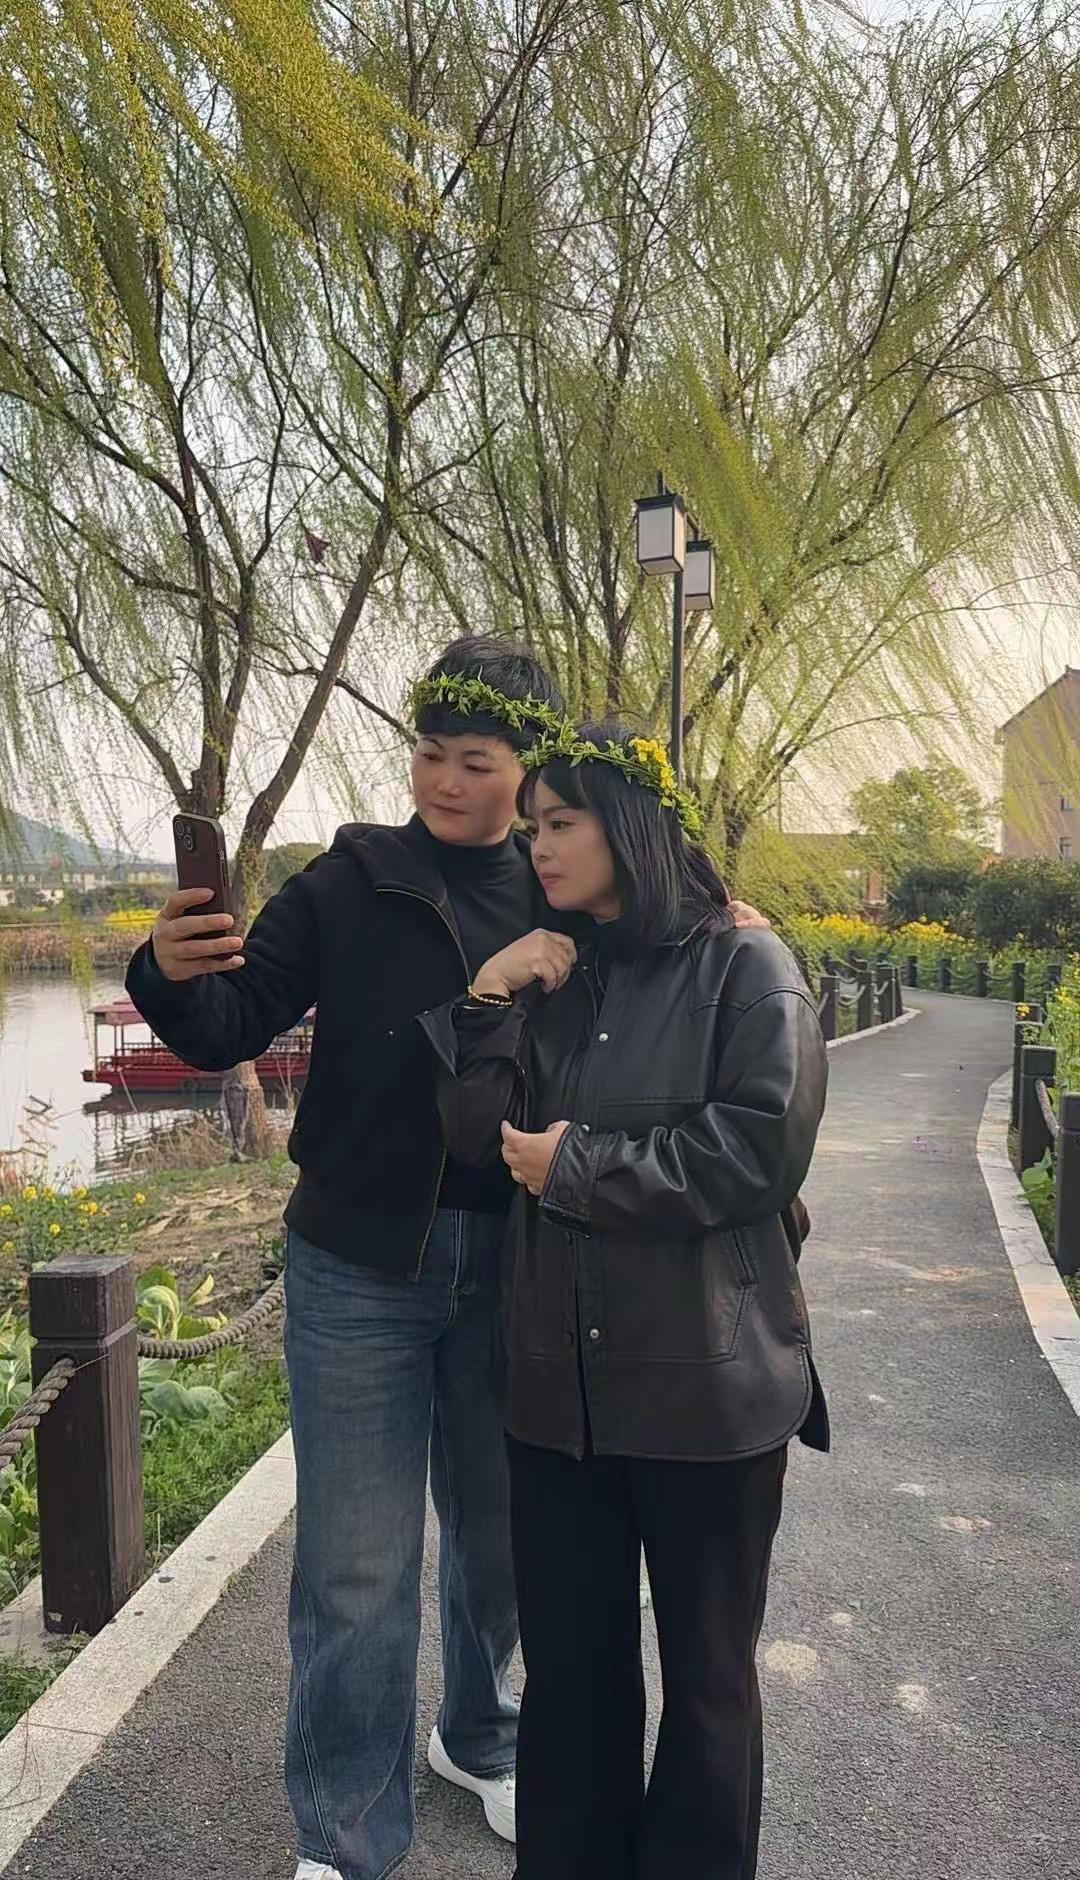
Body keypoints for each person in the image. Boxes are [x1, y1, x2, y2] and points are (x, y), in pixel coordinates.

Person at [125, 642, 770, 1880]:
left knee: (502, 1541)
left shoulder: (566, 887)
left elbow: (667, 968)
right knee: (356, 1566)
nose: (446, 781)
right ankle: (345, 1835)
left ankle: (480, 1734)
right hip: (357, 1263)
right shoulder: (348, 878)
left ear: (530, 774)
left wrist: (722, 923)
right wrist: (168, 967)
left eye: (478, 761)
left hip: (526, 1263)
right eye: (430, 753)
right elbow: (226, 1021)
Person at [426, 723, 829, 1880]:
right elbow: (474, 1136)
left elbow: (759, 1150)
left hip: (709, 1389)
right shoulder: (555, 974)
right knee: (573, 1677)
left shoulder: (748, 966)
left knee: (708, 1681)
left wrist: (581, 1169)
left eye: (562, 822)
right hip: (560, 1397)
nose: (538, 845)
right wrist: (487, 995)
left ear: (632, 828)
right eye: (534, 827)